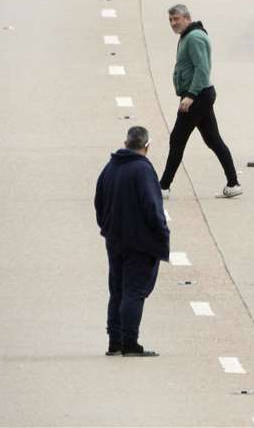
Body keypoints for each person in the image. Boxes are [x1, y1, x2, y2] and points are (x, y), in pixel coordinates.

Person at [95, 126, 169, 357]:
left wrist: (106, 227)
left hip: (114, 240)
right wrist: (162, 234)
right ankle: (130, 342)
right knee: (134, 292)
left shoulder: (110, 167)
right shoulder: (143, 171)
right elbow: (152, 208)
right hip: (140, 243)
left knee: (116, 290)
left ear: (125, 143)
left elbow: (98, 202)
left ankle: (114, 341)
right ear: (147, 146)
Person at [159, 4, 242, 198]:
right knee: (213, 140)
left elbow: (202, 68)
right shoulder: (187, 36)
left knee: (177, 139)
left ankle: (163, 187)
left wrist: (190, 95)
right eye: (170, 20)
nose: (173, 23)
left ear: (187, 18)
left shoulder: (194, 37)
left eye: (176, 19)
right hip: (200, 95)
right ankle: (233, 183)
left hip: (197, 96)